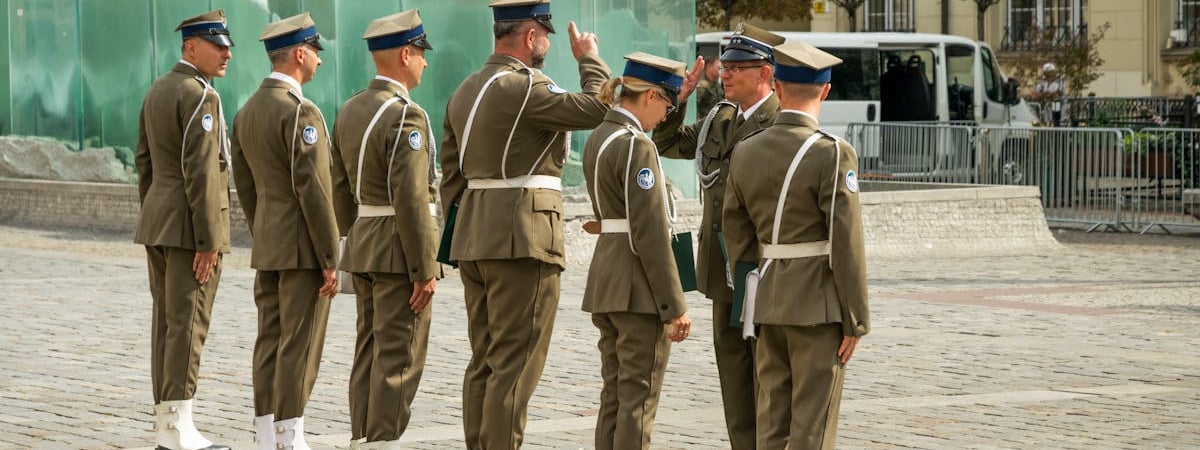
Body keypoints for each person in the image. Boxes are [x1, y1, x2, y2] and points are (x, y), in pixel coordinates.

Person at [438, 0, 611, 447]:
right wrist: (589, 57)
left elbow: (451, 175)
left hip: (475, 237)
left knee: (486, 361)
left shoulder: (465, 90)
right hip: (522, 237)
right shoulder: (525, 87)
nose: (547, 45)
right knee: (515, 366)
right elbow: (596, 107)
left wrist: (461, 234)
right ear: (530, 36)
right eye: (545, 36)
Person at [722, 40, 870, 450]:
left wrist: (757, 288)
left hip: (767, 301)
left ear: (779, 89)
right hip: (818, 307)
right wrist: (855, 318)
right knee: (812, 429)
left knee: (772, 423)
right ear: (825, 91)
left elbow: (735, 232)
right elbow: (847, 243)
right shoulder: (833, 152)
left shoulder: (745, 151)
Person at [650, 22, 784, 450]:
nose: (724, 74)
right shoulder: (720, 118)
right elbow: (668, 143)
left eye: (737, 68)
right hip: (721, 270)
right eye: (724, 66)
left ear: (764, 73)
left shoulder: (779, 121)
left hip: (760, 270)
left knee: (766, 373)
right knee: (733, 377)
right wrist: (679, 98)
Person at [329, 10, 439, 450]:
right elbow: (412, 199)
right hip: (399, 250)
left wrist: (348, 241)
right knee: (399, 359)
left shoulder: (351, 107)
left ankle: (362, 437)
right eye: (421, 55)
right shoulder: (406, 115)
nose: (425, 64)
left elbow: (339, 190)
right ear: (405, 54)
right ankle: (382, 442)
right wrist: (424, 267)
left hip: (365, 244)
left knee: (369, 354)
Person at [229, 12, 338, 450]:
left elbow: (246, 185)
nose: (319, 61)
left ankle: (263, 432)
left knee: (269, 340)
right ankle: (289, 435)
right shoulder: (300, 111)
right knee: (300, 342)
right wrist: (330, 257)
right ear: (299, 53)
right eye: (315, 52)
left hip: (270, 242)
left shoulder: (247, 109)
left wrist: (263, 229)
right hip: (302, 247)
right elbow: (314, 190)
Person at [581, 52, 694, 450]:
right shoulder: (637, 146)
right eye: (666, 104)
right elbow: (649, 232)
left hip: (607, 277)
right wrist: (673, 304)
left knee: (614, 394)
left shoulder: (599, 135)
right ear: (649, 97)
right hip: (636, 286)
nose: (664, 116)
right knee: (638, 399)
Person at [133, 8, 233, 450]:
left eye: (228, 47)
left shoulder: (159, 88)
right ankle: (178, 428)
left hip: (160, 221)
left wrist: (155, 210)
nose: (226, 54)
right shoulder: (200, 95)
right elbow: (202, 172)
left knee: (168, 325)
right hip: (190, 227)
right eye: (218, 46)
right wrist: (209, 240)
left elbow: (143, 162)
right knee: (188, 325)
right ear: (191, 47)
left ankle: (166, 424)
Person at [1033, 62, 1067, 126]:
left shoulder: (1060, 81)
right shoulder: (1041, 81)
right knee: (1046, 123)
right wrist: (1046, 95)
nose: (1051, 74)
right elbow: (1035, 95)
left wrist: (1043, 94)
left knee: (1059, 123)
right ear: (1045, 73)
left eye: (1052, 71)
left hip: (1059, 106)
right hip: (1045, 107)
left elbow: (1057, 94)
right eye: (1049, 72)